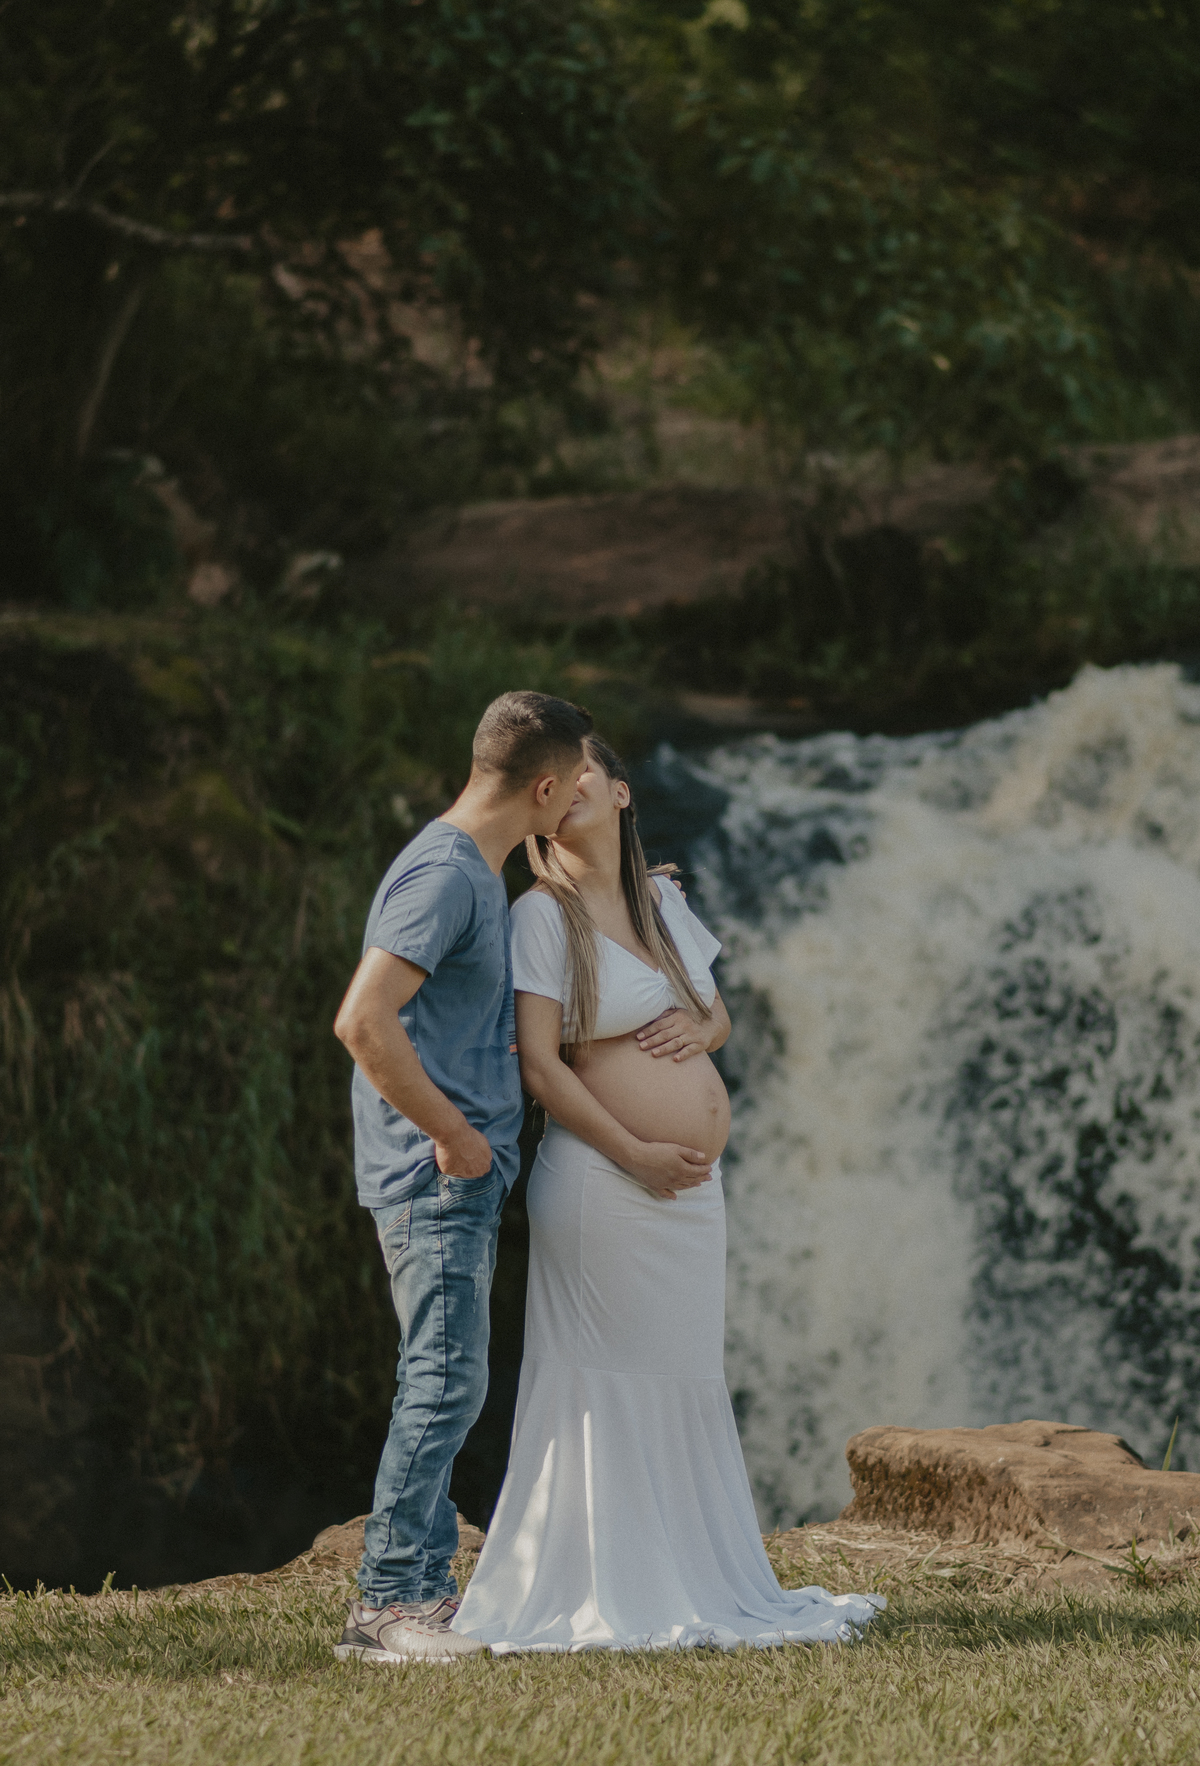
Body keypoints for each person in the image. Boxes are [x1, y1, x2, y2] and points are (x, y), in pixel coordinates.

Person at [451, 736, 884, 1652]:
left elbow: (713, 1010)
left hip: (692, 1196)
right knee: (607, 1378)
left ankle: (694, 1572)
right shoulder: (543, 917)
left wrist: (700, 1028)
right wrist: (636, 1152)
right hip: (604, 1182)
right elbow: (540, 1064)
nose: (565, 792)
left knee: (681, 1377)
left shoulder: (659, 903)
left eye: (581, 777)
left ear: (618, 791)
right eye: (552, 784)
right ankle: (612, 1582)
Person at [331, 690, 592, 1665]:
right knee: (441, 1382)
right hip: (435, 1172)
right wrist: (455, 1135)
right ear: (544, 782)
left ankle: (423, 1592)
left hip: (456, 1171)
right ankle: (386, 1606)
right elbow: (363, 1019)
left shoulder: (475, 870)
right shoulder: (442, 875)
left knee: (449, 1378)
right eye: (568, 791)